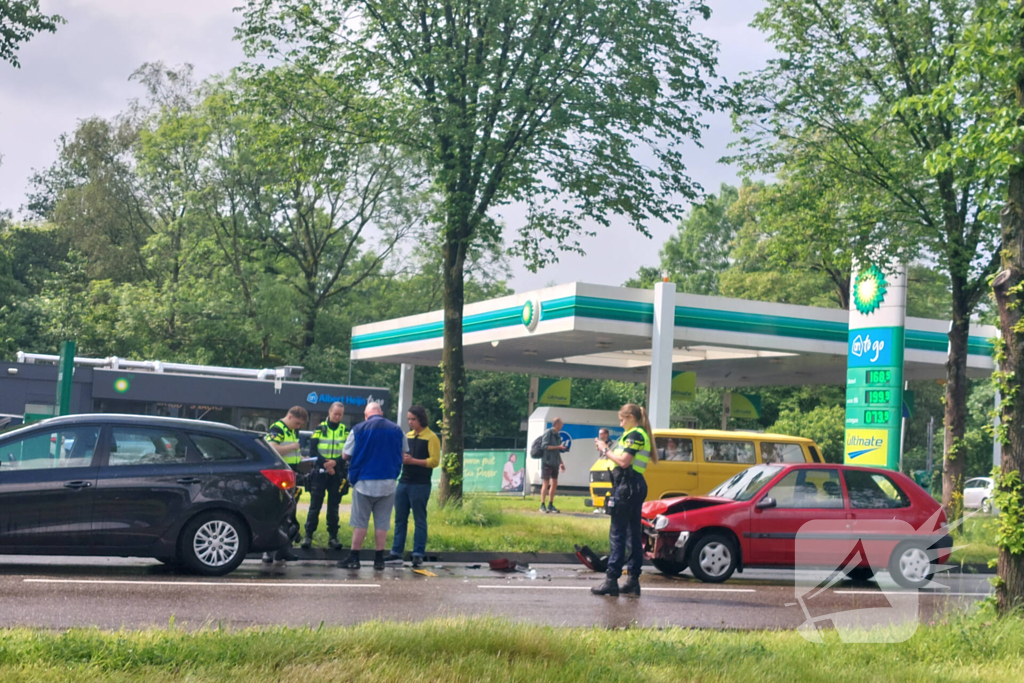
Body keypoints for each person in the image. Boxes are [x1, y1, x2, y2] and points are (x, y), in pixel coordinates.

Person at [591, 403, 655, 597]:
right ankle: (633, 581)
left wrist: (604, 449)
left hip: (627, 486)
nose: (620, 423)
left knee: (618, 533)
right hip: (633, 486)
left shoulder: (635, 434)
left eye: (622, 419)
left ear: (631, 418)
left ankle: (612, 580)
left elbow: (624, 461)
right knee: (632, 533)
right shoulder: (635, 434)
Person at [337, 402, 407, 571]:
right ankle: (379, 560)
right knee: (382, 523)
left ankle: (354, 558)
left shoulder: (359, 429)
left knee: (360, 522)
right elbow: (403, 454)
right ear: (381, 413)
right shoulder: (397, 430)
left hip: (364, 482)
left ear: (366, 414)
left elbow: (346, 455)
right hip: (388, 482)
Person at [384, 405, 440, 568]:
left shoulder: (431, 437)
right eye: (408, 419)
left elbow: (434, 461)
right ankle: (396, 552)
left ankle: (418, 553)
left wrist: (414, 461)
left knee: (419, 519)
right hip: (404, 481)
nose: (410, 422)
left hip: (420, 483)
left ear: (421, 419)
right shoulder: (406, 435)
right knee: (400, 519)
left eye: (413, 419)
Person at [262, 405, 309, 563]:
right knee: (276, 513)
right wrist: (292, 448)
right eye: (297, 423)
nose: (298, 426)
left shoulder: (291, 430)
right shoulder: (278, 428)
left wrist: (300, 458)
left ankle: (283, 549)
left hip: (290, 475)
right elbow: (272, 448)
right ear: (289, 416)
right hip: (279, 476)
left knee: (289, 514)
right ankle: (268, 551)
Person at [301, 401, 348, 550]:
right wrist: (326, 465)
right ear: (329, 412)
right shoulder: (319, 428)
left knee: (334, 507)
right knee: (315, 506)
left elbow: (348, 453)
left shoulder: (345, 430)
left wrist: (335, 463)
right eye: (335, 413)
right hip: (320, 473)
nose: (337, 416)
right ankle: (308, 536)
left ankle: (333, 537)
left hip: (336, 472)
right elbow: (313, 451)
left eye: (340, 414)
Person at [539, 417, 568, 513]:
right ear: (556, 424)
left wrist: (561, 463)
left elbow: (557, 451)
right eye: (561, 423)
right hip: (547, 462)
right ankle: (542, 505)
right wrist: (558, 446)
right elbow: (544, 446)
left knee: (554, 483)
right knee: (546, 483)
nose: (562, 425)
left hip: (555, 462)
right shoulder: (548, 432)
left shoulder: (557, 435)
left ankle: (550, 504)